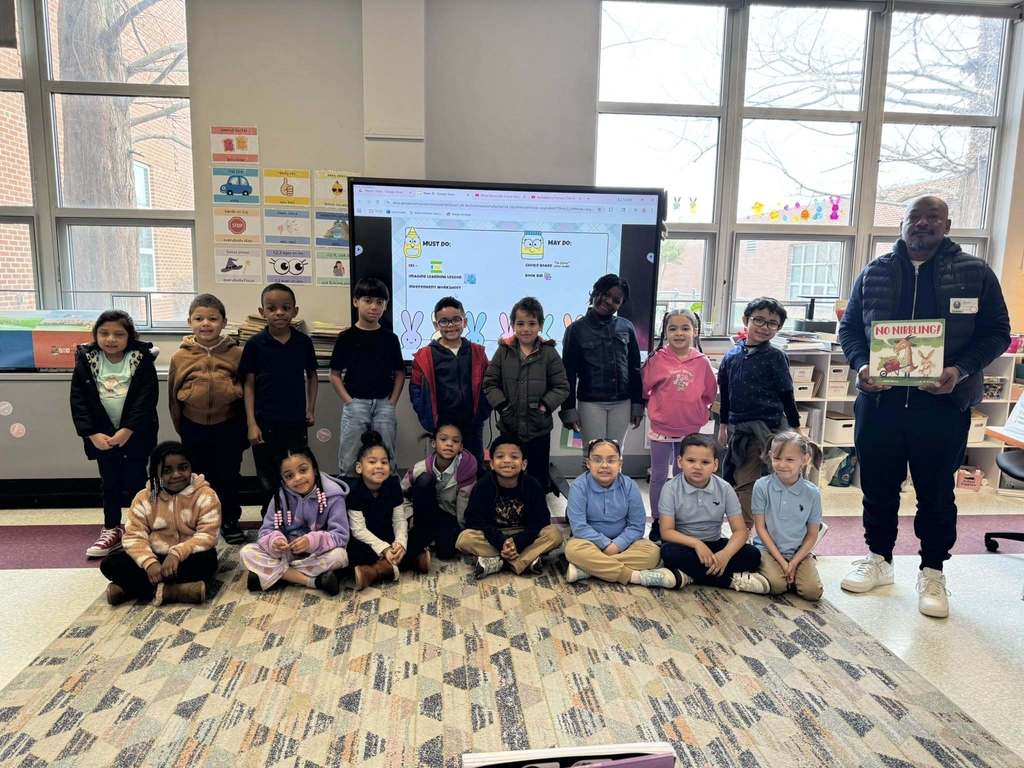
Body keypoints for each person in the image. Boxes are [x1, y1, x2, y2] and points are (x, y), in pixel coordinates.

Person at [838, 195, 1010, 618]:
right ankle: (879, 559)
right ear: (902, 224)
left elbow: (997, 333)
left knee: (935, 493)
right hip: (881, 403)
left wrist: (960, 369)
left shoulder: (975, 273)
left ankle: (933, 570)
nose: (923, 224)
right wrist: (861, 367)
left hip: (942, 404)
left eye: (933, 218)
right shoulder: (874, 272)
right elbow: (850, 331)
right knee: (877, 488)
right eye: (915, 217)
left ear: (947, 226)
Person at [70, 310, 159, 559]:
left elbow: (146, 399)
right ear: (96, 335)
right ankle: (111, 528)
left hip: (135, 434)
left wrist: (128, 429)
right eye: (104, 333)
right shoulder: (87, 360)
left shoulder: (141, 359)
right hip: (102, 437)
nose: (111, 339)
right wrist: (91, 434)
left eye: (118, 334)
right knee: (109, 482)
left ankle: (139, 527)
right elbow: (78, 400)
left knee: (137, 481)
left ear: (129, 336)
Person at [167, 293, 248, 545]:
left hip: (229, 425)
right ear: (189, 321)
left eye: (213, 318)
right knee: (198, 477)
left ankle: (230, 520)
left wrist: (244, 429)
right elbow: (173, 396)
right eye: (199, 318)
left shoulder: (237, 354)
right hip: (193, 426)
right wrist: (181, 427)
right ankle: (201, 520)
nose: (206, 323)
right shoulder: (180, 357)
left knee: (229, 475)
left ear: (224, 322)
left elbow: (247, 392)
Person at [100, 441, 220, 606]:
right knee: (110, 564)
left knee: (208, 561)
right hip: (154, 555)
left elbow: (208, 535)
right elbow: (134, 535)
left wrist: (176, 554)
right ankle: (174, 591)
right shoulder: (144, 497)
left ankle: (129, 589)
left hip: (186, 557)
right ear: (155, 473)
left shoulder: (206, 495)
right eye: (167, 471)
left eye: (183, 467)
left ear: (191, 467)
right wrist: (150, 563)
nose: (176, 474)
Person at [717, 297, 801, 525]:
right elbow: (725, 394)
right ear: (746, 320)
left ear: (779, 328)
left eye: (772, 323)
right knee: (741, 479)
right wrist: (723, 425)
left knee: (769, 480)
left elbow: (786, 393)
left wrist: (795, 426)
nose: (765, 327)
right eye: (759, 320)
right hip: (739, 430)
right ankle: (743, 531)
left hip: (770, 430)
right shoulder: (732, 355)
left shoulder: (775, 356)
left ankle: (769, 530)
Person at [659, 434, 770, 594]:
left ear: (715, 465)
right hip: (685, 545)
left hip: (714, 543)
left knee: (752, 555)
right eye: (691, 461)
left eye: (705, 462)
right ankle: (729, 581)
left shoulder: (725, 489)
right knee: (668, 554)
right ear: (680, 461)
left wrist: (725, 554)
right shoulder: (670, 488)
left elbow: (740, 531)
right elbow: (666, 531)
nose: (697, 467)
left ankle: (690, 575)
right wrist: (697, 544)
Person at [564, 438, 680, 588]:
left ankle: (589, 570)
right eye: (597, 460)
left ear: (620, 463)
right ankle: (635, 576)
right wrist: (605, 544)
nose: (604, 466)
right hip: (589, 542)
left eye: (611, 460)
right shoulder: (579, 486)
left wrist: (617, 545)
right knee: (573, 550)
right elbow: (579, 527)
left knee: (652, 552)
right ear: (588, 463)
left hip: (625, 544)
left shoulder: (629, 485)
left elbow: (637, 526)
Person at [642, 308, 717, 541]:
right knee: (659, 474)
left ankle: (679, 519)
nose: (679, 333)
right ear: (665, 332)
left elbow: (709, 394)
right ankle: (657, 520)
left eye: (685, 328)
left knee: (683, 474)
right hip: (662, 428)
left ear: (695, 332)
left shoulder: (702, 362)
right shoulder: (657, 359)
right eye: (672, 328)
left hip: (690, 429)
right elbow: (645, 389)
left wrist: (697, 413)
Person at [240, 283, 319, 496]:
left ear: (295, 311)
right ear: (261, 312)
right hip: (265, 422)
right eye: (272, 308)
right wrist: (251, 423)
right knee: (268, 475)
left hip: (295, 422)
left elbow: (312, 376)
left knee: (298, 472)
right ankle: (271, 519)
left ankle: (297, 517)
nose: (279, 313)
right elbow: (248, 385)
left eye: (285, 307)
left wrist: (310, 409)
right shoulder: (255, 344)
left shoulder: (303, 342)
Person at [483, 296, 568, 492]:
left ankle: (536, 511)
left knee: (537, 475)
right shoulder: (503, 352)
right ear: (513, 325)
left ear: (540, 325)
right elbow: (489, 383)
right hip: (510, 426)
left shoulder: (549, 353)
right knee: (509, 471)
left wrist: (544, 406)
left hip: (539, 428)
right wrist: (503, 406)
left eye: (532, 323)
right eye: (520, 323)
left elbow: (561, 386)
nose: (526, 328)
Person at [240, 447, 349, 596]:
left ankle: (278, 576)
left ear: (314, 469)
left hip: (317, 554)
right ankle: (313, 581)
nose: (297, 478)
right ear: (283, 478)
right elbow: (265, 531)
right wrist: (275, 541)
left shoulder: (333, 495)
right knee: (247, 552)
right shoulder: (280, 497)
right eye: (289, 475)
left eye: (303, 470)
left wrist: (312, 541)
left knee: (340, 556)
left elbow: (341, 536)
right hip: (287, 554)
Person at [457, 434, 563, 579]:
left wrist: (519, 542)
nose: (507, 461)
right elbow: (473, 519)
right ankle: (525, 560)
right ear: (492, 464)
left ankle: (498, 561)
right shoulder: (483, 485)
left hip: (523, 532)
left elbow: (541, 521)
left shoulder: (533, 485)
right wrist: (500, 542)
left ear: (523, 464)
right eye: (500, 457)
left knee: (554, 534)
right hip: (493, 534)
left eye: (514, 457)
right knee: (464, 539)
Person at [330, 277, 405, 476]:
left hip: (383, 404)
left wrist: (392, 403)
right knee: (349, 458)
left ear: (386, 305)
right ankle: (350, 502)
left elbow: (399, 372)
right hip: (356, 404)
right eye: (368, 300)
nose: (374, 307)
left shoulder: (390, 338)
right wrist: (349, 402)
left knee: (386, 455)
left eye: (380, 302)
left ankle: (388, 501)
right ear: (356, 301)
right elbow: (334, 375)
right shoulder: (346, 337)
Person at [560, 274, 643, 452]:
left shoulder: (627, 327)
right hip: (591, 403)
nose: (608, 301)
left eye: (616, 300)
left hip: (622, 402)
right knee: (593, 453)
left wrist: (637, 404)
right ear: (595, 292)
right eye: (605, 294)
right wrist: (568, 409)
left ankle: (615, 481)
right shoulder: (575, 330)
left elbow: (635, 369)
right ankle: (589, 482)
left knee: (615, 453)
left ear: (620, 305)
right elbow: (568, 374)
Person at [410, 296, 491, 469]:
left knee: (473, 464)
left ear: (465, 321)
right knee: (444, 466)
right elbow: (416, 389)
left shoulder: (477, 352)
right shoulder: (425, 355)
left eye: (456, 319)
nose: (451, 325)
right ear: (436, 325)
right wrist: (427, 416)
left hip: (472, 422)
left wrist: (482, 412)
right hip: (443, 422)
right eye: (444, 321)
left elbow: (489, 384)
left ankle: (471, 495)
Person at [345, 431, 432, 590]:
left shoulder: (392, 484)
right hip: (369, 541)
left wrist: (400, 544)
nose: (379, 466)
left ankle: (378, 569)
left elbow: (399, 520)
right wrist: (384, 549)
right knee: (349, 551)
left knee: (423, 532)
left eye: (384, 462)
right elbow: (358, 529)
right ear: (359, 467)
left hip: (389, 536)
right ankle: (407, 562)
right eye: (372, 462)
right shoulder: (354, 491)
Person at [752, 431, 824, 601]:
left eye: (790, 460)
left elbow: (812, 534)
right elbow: (760, 528)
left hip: (799, 552)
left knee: (812, 592)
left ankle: (797, 570)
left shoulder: (813, 493)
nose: (782, 465)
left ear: (805, 459)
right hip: (767, 550)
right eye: (777, 458)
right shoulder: (761, 486)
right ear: (770, 456)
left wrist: (794, 562)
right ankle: (780, 573)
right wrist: (783, 563)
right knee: (777, 586)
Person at [401, 421, 478, 560]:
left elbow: (464, 507)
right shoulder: (420, 468)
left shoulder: (467, 471)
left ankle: (425, 546)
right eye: (443, 439)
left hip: (449, 515)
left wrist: (463, 533)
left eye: (455, 441)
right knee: (425, 480)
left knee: (446, 552)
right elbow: (401, 494)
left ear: (461, 447)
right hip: (423, 515)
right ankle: (419, 545)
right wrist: (409, 517)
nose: (449, 444)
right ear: (434, 443)